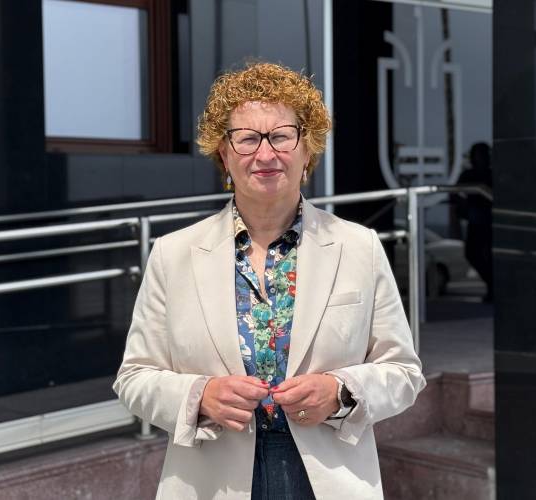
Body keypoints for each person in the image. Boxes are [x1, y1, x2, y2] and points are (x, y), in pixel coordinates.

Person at [113, 62, 425, 500]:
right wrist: (200, 395)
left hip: (328, 479)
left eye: (281, 136)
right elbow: (134, 377)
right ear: (224, 154)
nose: (265, 154)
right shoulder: (173, 254)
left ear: (307, 151)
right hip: (212, 480)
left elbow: (404, 372)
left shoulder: (360, 247)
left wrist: (340, 392)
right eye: (247, 138)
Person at [455, 142, 493, 302]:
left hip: (490, 222)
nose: (478, 159)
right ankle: (492, 285)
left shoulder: (491, 174)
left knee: (487, 255)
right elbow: (455, 194)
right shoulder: (469, 175)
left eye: (481, 155)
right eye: (476, 155)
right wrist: (463, 211)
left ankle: (493, 286)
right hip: (476, 221)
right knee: (473, 253)